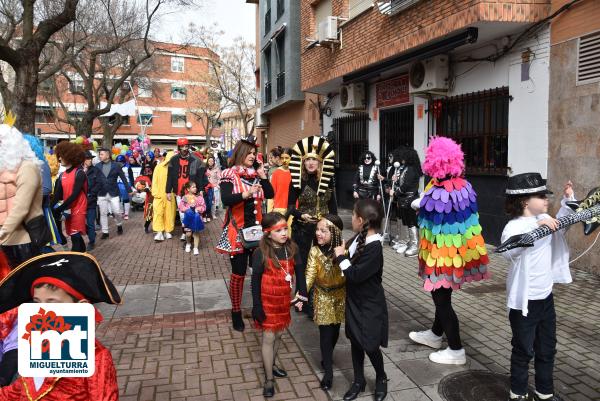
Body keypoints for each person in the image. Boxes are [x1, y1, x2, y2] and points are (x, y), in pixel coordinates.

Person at [409, 137, 490, 365]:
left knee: (441, 299)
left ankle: (456, 350)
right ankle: (435, 335)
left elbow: (426, 210)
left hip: (444, 256)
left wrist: (419, 204)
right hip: (456, 253)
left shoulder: (438, 190)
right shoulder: (465, 187)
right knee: (442, 295)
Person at [0, 252, 121, 400]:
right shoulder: (35, 347)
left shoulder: (96, 358)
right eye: (37, 302)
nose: (41, 312)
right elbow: (18, 391)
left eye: (52, 303)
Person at [501, 174, 574, 401]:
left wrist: (568, 200)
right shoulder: (513, 226)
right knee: (523, 351)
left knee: (547, 349)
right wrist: (536, 227)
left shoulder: (545, 217)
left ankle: (545, 392)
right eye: (541, 196)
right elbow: (509, 251)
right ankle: (518, 393)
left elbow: (563, 223)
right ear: (524, 201)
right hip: (524, 303)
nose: (546, 200)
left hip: (545, 299)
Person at [216, 136, 274, 332]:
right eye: (248, 153)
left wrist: (263, 175)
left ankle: (258, 308)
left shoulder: (256, 174)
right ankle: (236, 312)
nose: (252, 156)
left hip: (257, 233)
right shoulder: (229, 174)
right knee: (238, 274)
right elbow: (225, 199)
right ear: (241, 153)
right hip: (237, 231)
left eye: (253, 153)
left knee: (259, 272)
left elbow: (271, 194)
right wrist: (245, 195)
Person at [333, 199, 388, 401]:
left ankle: (381, 377)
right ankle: (358, 380)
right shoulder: (359, 237)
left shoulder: (375, 248)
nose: (352, 219)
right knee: (355, 341)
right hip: (354, 300)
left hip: (370, 304)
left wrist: (340, 257)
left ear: (361, 220)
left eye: (354, 215)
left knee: (371, 345)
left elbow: (355, 275)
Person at [250, 212, 307, 397]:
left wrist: (302, 293)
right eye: (279, 230)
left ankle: (272, 364)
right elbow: (255, 280)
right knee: (268, 338)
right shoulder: (260, 252)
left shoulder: (292, 248)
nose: (284, 233)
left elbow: (300, 271)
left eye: (285, 228)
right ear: (268, 233)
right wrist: (256, 305)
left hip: (283, 301)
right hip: (267, 301)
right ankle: (268, 379)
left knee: (280, 335)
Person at [287, 136, 337, 318]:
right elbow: (290, 207)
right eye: (307, 159)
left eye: (313, 159)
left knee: (321, 265)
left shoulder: (328, 179)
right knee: (302, 266)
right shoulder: (296, 180)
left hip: (323, 230)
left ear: (320, 161)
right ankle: (303, 299)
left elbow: (333, 205)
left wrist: (334, 226)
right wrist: (301, 215)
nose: (310, 163)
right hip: (302, 229)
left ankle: (319, 299)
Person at [305, 214, 345, 391]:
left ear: (335, 232)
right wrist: (301, 294)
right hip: (321, 296)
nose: (318, 233)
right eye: (317, 229)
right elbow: (309, 275)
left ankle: (326, 356)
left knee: (335, 330)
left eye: (323, 230)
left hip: (340, 296)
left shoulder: (344, 250)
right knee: (325, 334)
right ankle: (328, 372)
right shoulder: (314, 251)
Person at [0, 124, 44, 267]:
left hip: (20, 243)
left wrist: (2, 233)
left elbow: (21, 207)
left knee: (19, 287)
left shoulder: (27, 168)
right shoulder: (5, 170)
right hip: (5, 241)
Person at [23, 134, 63, 250]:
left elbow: (46, 189)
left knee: (43, 246)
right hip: (26, 213)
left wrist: (23, 197)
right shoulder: (23, 164)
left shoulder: (41, 163)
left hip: (39, 213)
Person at [166, 138, 207, 241]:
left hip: (191, 193)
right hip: (179, 192)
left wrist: (201, 189)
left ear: (188, 147)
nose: (184, 148)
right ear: (179, 148)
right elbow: (169, 176)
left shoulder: (196, 160)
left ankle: (190, 232)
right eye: (182, 147)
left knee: (192, 212)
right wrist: (167, 191)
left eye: (186, 146)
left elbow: (200, 177)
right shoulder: (173, 159)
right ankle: (186, 232)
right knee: (182, 215)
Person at [52, 141, 88, 252]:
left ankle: (75, 260)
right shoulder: (62, 175)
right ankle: (83, 254)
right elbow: (57, 194)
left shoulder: (80, 173)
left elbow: (75, 194)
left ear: (70, 156)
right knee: (74, 234)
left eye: (61, 156)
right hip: (68, 208)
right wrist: (50, 207)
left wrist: (59, 208)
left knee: (74, 235)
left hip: (78, 207)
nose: (59, 159)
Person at [393, 147, 422, 257]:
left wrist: (396, 192)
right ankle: (411, 242)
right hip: (404, 199)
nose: (402, 158)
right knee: (407, 222)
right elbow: (402, 183)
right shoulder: (407, 168)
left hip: (410, 199)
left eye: (404, 156)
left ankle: (415, 245)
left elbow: (406, 185)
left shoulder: (412, 169)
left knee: (411, 222)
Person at [96, 148, 130, 238]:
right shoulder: (97, 166)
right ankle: (105, 232)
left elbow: (123, 178)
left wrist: (129, 190)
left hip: (113, 192)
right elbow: (95, 180)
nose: (100, 156)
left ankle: (119, 225)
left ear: (107, 155)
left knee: (117, 212)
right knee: (103, 213)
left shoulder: (116, 166)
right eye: (99, 154)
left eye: (102, 154)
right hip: (101, 193)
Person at [152, 152, 177, 241]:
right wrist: (155, 193)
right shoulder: (159, 167)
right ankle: (159, 232)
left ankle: (168, 231)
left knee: (169, 213)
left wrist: (175, 192)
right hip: (159, 195)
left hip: (170, 195)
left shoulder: (175, 169)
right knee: (158, 213)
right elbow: (154, 180)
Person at [178, 181, 206, 255]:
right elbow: (181, 207)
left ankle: (195, 248)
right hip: (188, 218)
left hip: (197, 218)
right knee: (188, 234)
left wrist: (198, 209)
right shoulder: (185, 197)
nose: (195, 188)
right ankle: (188, 243)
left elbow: (203, 207)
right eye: (193, 187)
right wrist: (187, 210)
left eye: (195, 187)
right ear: (188, 189)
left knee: (196, 233)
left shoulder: (199, 197)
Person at [83, 150, 102, 251]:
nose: (89, 160)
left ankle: (91, 241)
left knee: (91, 222)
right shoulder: (78, 170)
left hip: (91, 201)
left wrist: (92, 194)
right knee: (81, 223)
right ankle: (91, 233)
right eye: (87, 159)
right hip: (80, 202)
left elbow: (99, 184)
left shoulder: (96, 170)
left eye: (90, 158)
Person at [268, 148, 292, 215]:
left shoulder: (295, 173)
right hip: (278, 211)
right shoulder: (276, 173)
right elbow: (271, 195)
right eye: (282, 158)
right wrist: (269, 213)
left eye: (287, 158)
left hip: (293, 211)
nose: (284, 160)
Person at [204, 155, 221, 222]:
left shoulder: (217, 169)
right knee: (207, 201)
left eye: (212, 161)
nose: (211, 162)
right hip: (207, 187)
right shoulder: (205, 169)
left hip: (214, 187)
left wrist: (217, 185)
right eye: (209, 161)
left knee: (214, 201)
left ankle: (213, 214)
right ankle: (207, 214)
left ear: (214, 161)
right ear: (207, 161)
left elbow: (219, 178)